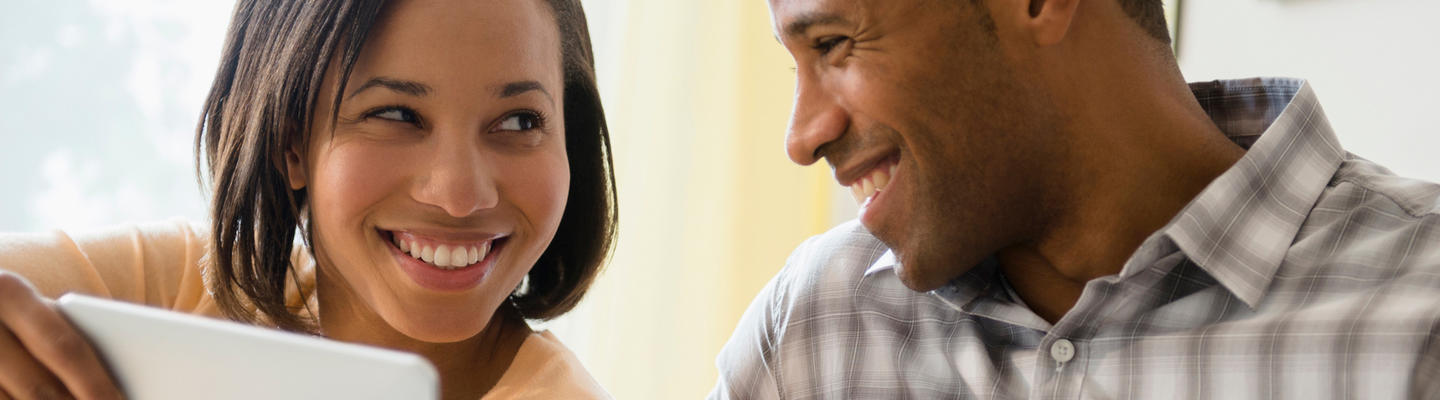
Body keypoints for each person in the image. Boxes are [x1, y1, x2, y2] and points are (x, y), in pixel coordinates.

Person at [712, 0, 1440, 398]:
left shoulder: (1422, 319)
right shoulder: (814, 326)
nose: (803, 137)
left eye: (835, 43)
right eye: (793, 63)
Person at [0, 0, 616, 398]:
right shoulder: (179, 290)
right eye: (397, 114)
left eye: (518, 122)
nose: (460, 195)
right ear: (290, 141)